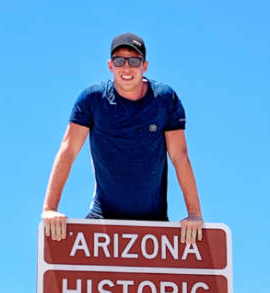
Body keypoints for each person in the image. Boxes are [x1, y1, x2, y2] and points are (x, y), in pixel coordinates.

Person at [41, 32, 204, 244]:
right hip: (103, 219)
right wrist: (50, 209)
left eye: (134, 61)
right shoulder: (93, 100)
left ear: (145, 66)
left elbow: (179, 156)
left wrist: (194, 214)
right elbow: (68, 151)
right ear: (110, 66)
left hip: (153, 222)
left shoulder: (164, 99)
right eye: (119, 61)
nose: (126, 67)